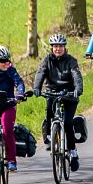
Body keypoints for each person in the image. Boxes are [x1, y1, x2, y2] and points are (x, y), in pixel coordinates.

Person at [34, 33, 84, 171]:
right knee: (49, 110)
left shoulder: (71, 60)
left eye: (60, 46)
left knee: (68, 123)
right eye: (55, 46)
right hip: (52, 91)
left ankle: (73, 153)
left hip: (69, 93)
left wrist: (78, 89)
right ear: (52, 48)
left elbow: (76, 75)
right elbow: (40, 74)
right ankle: (50, 135)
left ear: (64, 47)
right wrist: (37, 88)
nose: (58, 49)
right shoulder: (47, 61)